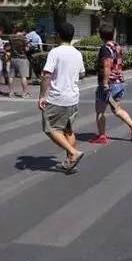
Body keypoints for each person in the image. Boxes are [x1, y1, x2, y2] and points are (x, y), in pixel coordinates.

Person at [37, 22, 85, 172]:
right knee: (68, 130)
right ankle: (70, 161)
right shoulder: (77, 53)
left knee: (50, 128)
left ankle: (73, 152)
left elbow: (47, 75)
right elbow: (82, 74)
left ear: (58, 35)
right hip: (73, 98)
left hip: (57, 98)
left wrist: (42, 96)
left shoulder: (55, 52)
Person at [94, 23, 132, 144]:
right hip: (119, 82)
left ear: (101, 36)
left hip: (109, 83)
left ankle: (102, 136)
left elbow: (107, 65)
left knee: (100, 111)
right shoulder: (118, 47)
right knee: (117, 109)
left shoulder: (106, 49)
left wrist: (105, 83)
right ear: (113, 34)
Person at [8, 30, 31, 98]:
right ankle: (24, 93)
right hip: (22, 58)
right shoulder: (24, 38)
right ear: (22, 31)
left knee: (11, 76)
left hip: (13, 58)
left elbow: (9, 47)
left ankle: (11, 92)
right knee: (23, 77)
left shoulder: (11, 38)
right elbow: (27, 49)